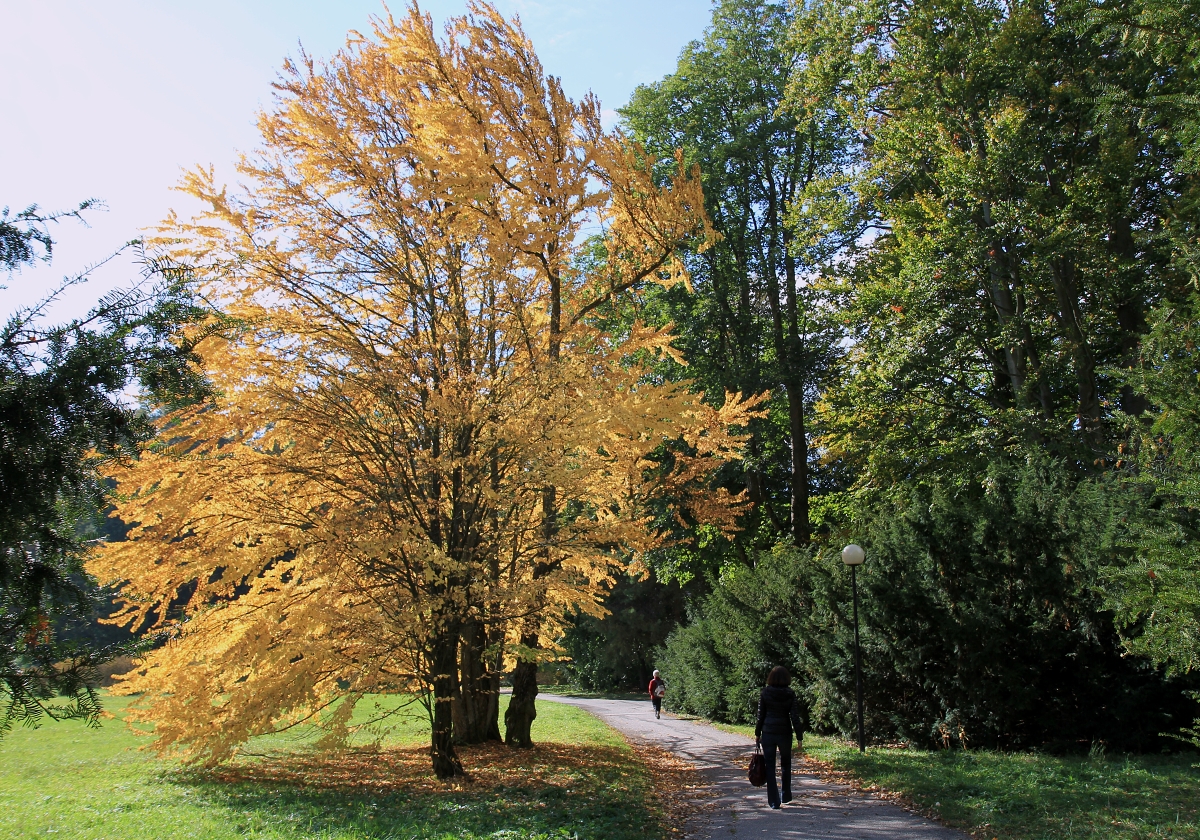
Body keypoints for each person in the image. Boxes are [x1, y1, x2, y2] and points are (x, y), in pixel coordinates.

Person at [754, 665, 805, 809]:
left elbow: (760, 716)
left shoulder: (765, 693)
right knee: (786, 764)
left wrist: (758, 733)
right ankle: (786, 795)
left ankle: (773, 801)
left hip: (768, 732)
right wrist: (799, 736)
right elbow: (794, 716)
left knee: (769, 766)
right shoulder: (790, 693)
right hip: (784, 732)